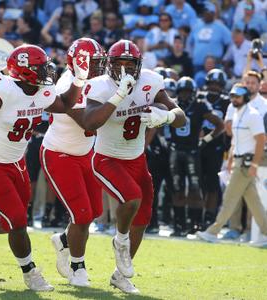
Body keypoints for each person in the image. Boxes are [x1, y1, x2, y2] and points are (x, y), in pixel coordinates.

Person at [0, 44, 90, 291]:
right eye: (40, 67)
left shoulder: (41, 91)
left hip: (17, 162)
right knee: (17, 220)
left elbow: (66, 105)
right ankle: (30, 272)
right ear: (24, 71)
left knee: (12, 220)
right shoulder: (2, 92)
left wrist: (78, 79)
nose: (47, 71)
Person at [80, 39, 186, 293]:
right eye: (120, 63)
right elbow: (89, 123)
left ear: (139, 65)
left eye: (131, 63)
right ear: (109, 64)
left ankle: (120, 275)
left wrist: (167, 116)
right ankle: (121, 242)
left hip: (137, 160)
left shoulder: (150, 81)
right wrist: (119, 96)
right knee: (131, 199)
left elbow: (181, 119)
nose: (126, 68)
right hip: (106, 158)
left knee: (142, 218)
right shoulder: (100, 86)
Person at [41, 38, 106, 287]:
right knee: (81, 214)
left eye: (100, 62)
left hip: (85, 153)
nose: (100, 68)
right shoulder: (70, 83)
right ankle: (77, 267)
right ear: (78, 63)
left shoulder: (96, 81)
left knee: (94, 212)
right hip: (60, 154)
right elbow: (89, 123)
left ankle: (64, 240)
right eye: (94, 62)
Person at [197, 84, 267, 247]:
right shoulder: (237, 113)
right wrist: (230, 159)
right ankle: (266, 232)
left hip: (246, 162)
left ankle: (212, 231)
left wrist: (255, 164)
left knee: (229, 198)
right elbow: (235, 139)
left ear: (246, 98)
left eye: (237, 96)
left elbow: (261, 140)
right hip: (238, 160)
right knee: (253, 201)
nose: (234, 99)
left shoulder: (253, 115)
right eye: (232, 96)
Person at [169, 77, 224, 236]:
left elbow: (219, 125)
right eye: (182, 92)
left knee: (195, 189)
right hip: (175, 150)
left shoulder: (200, 105)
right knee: (177, 189)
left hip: (192, 151)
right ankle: (178, 225)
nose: (184, 96)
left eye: (187, 92)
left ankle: (195, 224)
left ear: (193, 93)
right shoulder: (171, 104)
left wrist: (205, 140)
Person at [198, 69, 231, 228]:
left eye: (217, 84)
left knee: (212, 183)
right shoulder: (200, 98)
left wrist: (209, 137)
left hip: (216, 147)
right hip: (199, 146)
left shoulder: (226, 102)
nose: (214, 87)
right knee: (199, 182)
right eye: (211, 83)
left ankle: (210, 216)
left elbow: (226, 125)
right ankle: (198, 215)